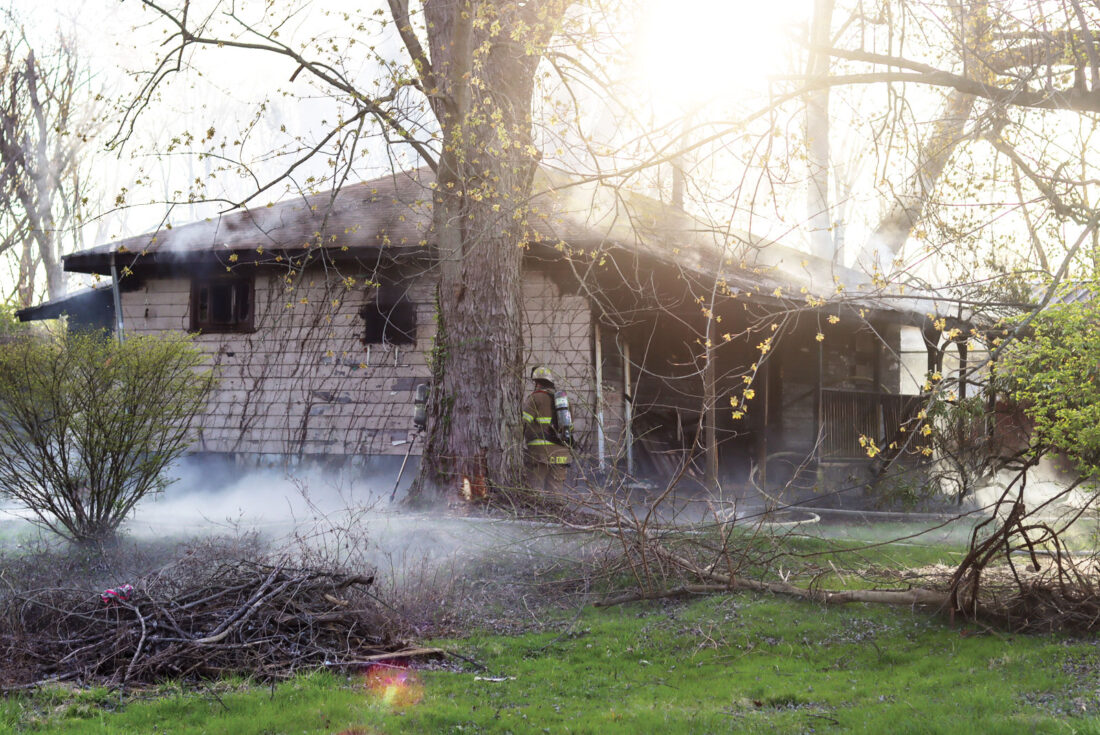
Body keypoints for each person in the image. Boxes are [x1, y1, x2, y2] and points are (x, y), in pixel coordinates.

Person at [522, 366, 571, 494]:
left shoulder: (535, 398)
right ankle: (557, 512)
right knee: (556, 491)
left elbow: (523, 423)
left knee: (535, 489)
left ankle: (536, 513)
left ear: (537, 383)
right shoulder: (564, 401)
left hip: (540, 454)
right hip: (562, 453)